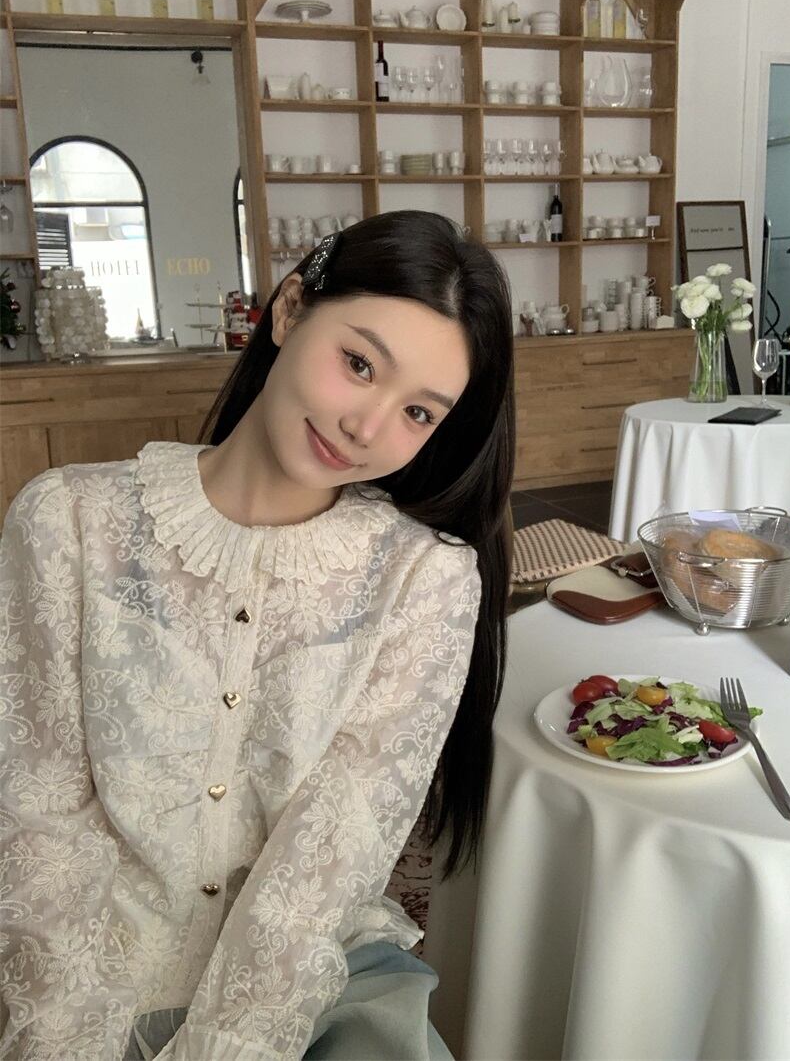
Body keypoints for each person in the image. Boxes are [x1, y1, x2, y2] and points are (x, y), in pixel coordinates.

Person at [0, 210, 515, 1060]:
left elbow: (336, 847)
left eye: (419, 412)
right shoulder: (68, 521)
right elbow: (37, 818)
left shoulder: (425, 578)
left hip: (309, 983)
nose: (366, 428)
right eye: (359, 364)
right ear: (289, 310)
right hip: (86, 980)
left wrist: (230, 1045)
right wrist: (63, 1038)